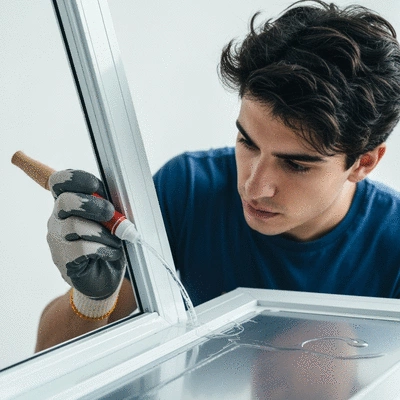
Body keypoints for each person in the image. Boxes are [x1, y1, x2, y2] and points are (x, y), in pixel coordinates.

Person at [35, 0, 400, 352]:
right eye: (247, 141)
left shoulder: (394, 243)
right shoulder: (188, 190)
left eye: (295, 165)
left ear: (364, 162)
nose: (253, 186)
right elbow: (47, 356)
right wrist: (93, 299)